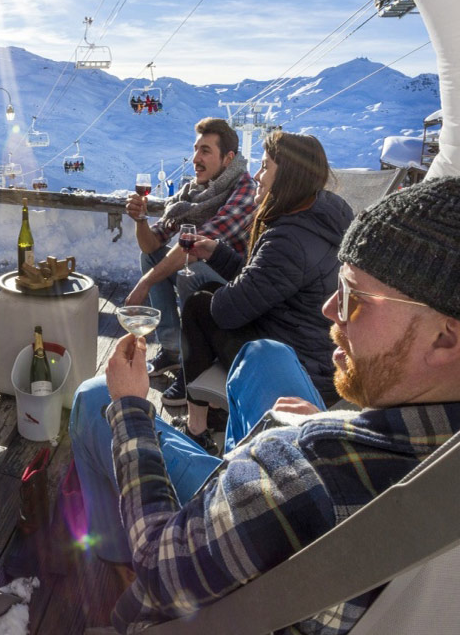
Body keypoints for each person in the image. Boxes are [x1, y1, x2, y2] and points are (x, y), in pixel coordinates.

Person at [70, 175, 460, 633]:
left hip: (215, 569)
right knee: (265, 355)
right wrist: (333, 427)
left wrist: (132, 409)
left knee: (97, 397)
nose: (330, 309)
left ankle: (112, 558)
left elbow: (160, 569)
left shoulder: (309, 473)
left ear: (445, 337)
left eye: (355, 298)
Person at [173, 131, 353, 452]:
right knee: (211, 292)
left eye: (265, 166)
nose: (257, 175)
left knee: (201, 304)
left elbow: (227, 310)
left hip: (300, 370)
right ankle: (213, 414)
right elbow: (265, 282)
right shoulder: (324, 214)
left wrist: (225, 282)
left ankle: (197, 426)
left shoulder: (289, 240)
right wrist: (218, 253)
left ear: (287, 174)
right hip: (321, 353)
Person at [124, 117, 255, 384]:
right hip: (205, 272)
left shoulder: (245, 190)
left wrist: (145, 283)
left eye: (205, 151)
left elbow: (196, 247)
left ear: (228, 158)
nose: (195, 158)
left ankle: (194, 361)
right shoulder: (194, 191)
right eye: (195, 149)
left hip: (237, 287)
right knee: (151, 257)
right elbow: (153, 244)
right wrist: (140, 220)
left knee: (190, 271)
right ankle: (172, 350)